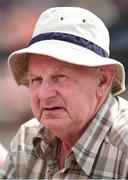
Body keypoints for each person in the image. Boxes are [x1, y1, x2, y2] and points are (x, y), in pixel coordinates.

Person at [0, 7, 128, 179]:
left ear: (102, 80)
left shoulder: (124, 147)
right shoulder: (27, 138)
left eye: (60, 77)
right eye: (36, 79)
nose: (44, 94)